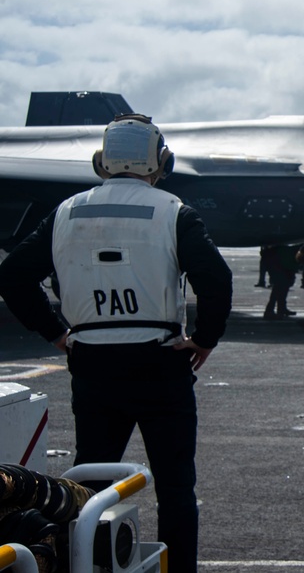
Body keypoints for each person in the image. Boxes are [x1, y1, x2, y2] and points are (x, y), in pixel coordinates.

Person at [0, 113, 233, 573]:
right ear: (161, 162)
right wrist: (204, 338)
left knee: (91, 483)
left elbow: (13, 275)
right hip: (160, 361)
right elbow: (215, 279)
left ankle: (87, 564)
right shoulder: (173, 211)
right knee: (175, 487)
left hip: (92, 364)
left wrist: (56, 331)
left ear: (100, 162)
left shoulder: (67, 211)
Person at [261, 244, 299, 319]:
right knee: (279, 288)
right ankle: (270, 311)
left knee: (281, 287)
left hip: (276, 263)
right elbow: (289, 264)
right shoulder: (291, 253)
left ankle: (280, 309)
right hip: (277, 265)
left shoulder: (291, 251)